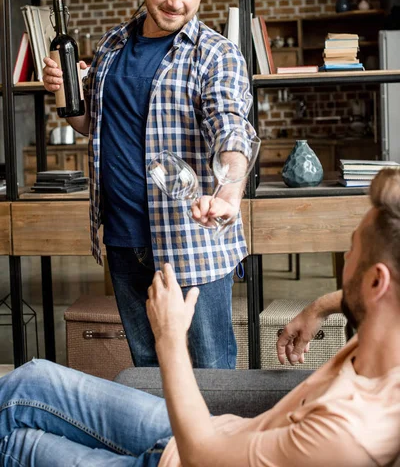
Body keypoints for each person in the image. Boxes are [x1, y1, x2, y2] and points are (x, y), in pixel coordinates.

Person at [1, 168, 400, 467]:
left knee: (14, 444)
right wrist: (322, 306)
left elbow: (201, 457)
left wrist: (170, 336)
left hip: (192, 455)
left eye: (352, 250)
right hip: (207, 432)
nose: (345, 258)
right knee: (32, 378)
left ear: (376, 283)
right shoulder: (385, 333)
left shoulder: (347, 433)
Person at [42, 0, 255, 369]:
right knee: (148, 370)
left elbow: (231, 125)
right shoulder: (111, 47)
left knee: (210, 370)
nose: (178, 1)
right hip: (123, 240)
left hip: (190, 244)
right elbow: (91, 127)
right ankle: (161, 442)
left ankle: (215, 441)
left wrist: (229, 192)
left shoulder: (215, 55)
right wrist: (67, 96)